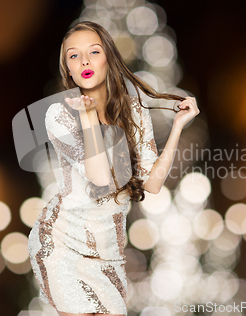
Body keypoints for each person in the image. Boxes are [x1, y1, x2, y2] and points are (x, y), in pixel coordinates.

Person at [28, 21, 199, 316]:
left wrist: (177, 128)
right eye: (73, 55)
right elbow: (100, 179)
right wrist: (88, 117)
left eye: (93, 51)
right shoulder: (60, 114)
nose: (84, 61)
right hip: (64, 245)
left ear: (108, 57)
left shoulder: (132, 112)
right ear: (67, 69)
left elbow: (153, 184)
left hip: (109, 255)